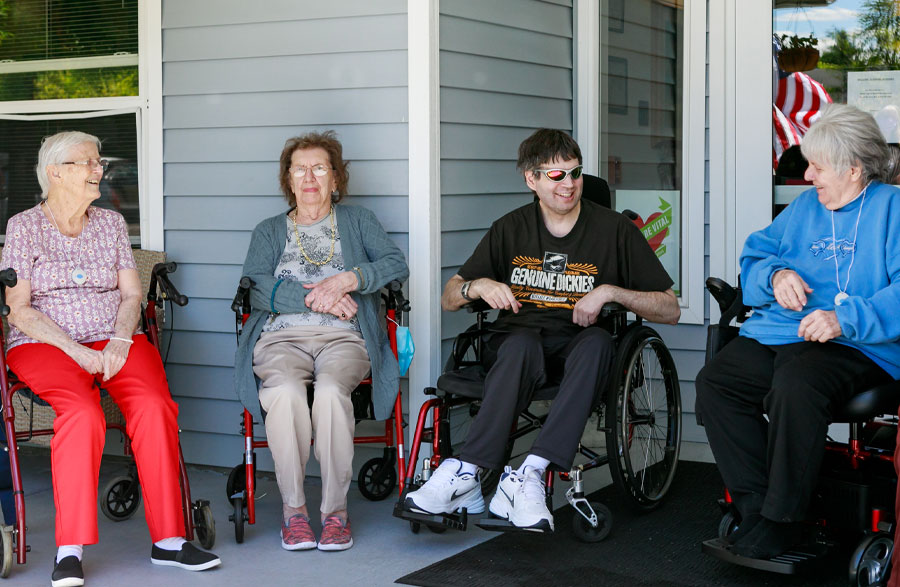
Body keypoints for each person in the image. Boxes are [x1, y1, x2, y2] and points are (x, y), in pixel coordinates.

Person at [404, 128, 680, 531]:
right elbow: (450, 297)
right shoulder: (510, 229)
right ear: (530, 179)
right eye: (556, 176)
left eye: (575, 173)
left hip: (580, 349)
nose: (569, 184)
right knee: (518, 345)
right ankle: (466, 472)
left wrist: (607, 291)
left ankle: (528, 475)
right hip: (518, 347)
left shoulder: (614, 231)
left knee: (599, 343)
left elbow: (669, 307)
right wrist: (477, 286)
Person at [0, 131, 220, 587]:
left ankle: (170, 540)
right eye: (88, 163)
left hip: (114, 339)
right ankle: (70, 548)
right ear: (55, 172)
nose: (99, 170)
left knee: (155, 407)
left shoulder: (111, 224)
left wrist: (121, 339)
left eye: (99, 162)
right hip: (46, 344)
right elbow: (19, 308)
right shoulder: (23, 227)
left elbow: (132, 293)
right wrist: (75, 349)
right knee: (81, 414)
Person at [695, 104, 900, 560]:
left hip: (858, 343)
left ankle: (785, 521)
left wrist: (846, 318)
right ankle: (755, 507)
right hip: (786, 332)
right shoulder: (806, 208)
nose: (807, 176)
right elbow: (757, 253)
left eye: (817, 167)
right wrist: (776, 276)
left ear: (853, 169)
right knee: (717, 383)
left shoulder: (893, 209)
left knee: (796, 383)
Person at [234, 131, 408, 552]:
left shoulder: (359, 221)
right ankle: (294, 512)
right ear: (289, 180)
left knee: (331, 393)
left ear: (335, 179)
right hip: (280, 339)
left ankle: (335, 514)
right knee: (286, 394)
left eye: (319, 168)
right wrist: (321, 299)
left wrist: (350, 279)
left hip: (344, 339)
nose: (309, 177)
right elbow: (255, 287)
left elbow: (394, 264)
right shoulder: (269, 230)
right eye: (300, 169)